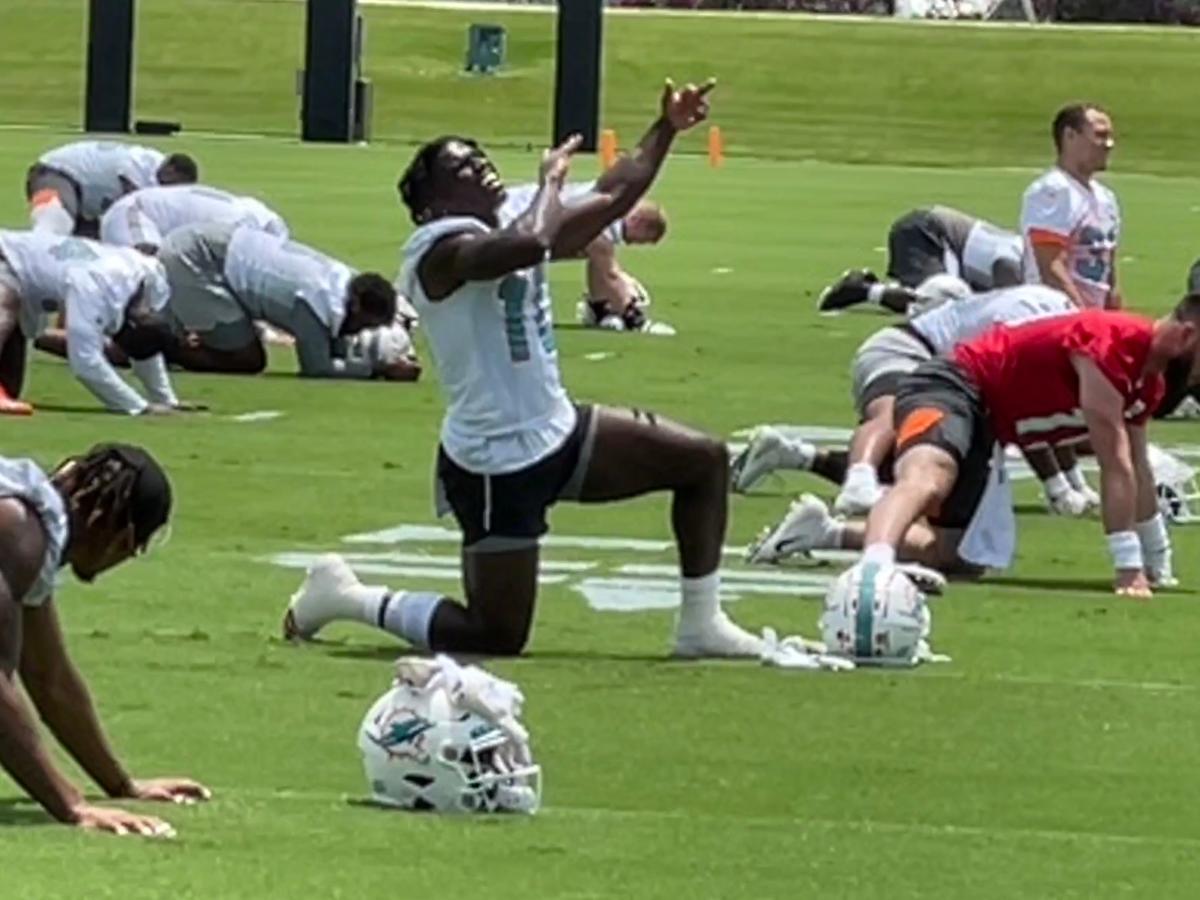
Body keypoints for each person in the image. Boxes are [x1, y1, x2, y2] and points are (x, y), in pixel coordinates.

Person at [284, 78, 777, 659]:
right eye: (462, 168)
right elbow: (527, 246)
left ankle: (701, 624)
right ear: (433, 202)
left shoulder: (514, 212)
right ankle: (344, 598)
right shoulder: (434, 250)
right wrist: (548, 185)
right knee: (495, 636)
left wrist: (666, 127)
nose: (481, 168)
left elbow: (616, 194)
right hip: (497, 459)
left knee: (703, 462)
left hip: (557, 428)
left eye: (480, 158)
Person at [852, 300, 1199, 600]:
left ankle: (829, 532)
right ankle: (873, 569)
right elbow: (1115, 463)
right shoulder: (1113, 342)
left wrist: (1157, 557)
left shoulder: (1148, 382)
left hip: (992, 425)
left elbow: (1139, 468)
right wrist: (1128, 566)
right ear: (1187, 336)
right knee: (929, 477)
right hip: (955, 385)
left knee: (958, 554)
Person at [735, 282, 1097, 516]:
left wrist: (1074, 483)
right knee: (891, 419)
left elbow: (1039, 413)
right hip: (906, 349)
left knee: (925, 470)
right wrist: (1057, 488)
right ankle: (858, 483)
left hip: (943, 374)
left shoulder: (1056, 319)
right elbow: (1019, 406)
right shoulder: (1033, 326)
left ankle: (795, 456)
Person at [0, 443, 210, 836]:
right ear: (123, 539)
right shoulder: (16, 530)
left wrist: (120, 785)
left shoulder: (29, 524)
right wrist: (71, 804)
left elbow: (52, 681)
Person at [151, 222, 402, 378]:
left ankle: (170, 337)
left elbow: (334, 344)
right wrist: (377, 369)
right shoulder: (316, 299)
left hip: (209, 246)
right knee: (248, 360)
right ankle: (159, 347)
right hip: (196, 259)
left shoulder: (341, 283)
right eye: (364, 325)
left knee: (236, 339)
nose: (358, 332)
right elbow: (317, 366)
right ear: (356, 305)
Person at [0, 230, 188, 416]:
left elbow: (146, 346)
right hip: (5, 256)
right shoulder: (95, 288)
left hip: (22, 278)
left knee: (10, 389)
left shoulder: (152, 284)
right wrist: (139, 406)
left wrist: (166, 401)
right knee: (5, 305)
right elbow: (85, 363)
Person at [819, 206, 1022, 313]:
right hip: (925, 232)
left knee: (958, 304)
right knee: (942, 304)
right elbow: (1006, 303)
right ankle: (862, 289)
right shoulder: (1017, 258)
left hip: (945, 247)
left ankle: (873, 289)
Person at [1020, 103, 1120, 310]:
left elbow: (1109, 272)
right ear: (1070, 136)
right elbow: (1051, 268)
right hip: (1054, 315)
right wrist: (1083, 318)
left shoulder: (1106, 198)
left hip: (1091, 317)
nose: (1109, 144)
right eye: (1100, 136)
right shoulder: (1053, 191)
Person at [26, 141, 197, 238]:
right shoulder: (141, 162)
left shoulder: (161, 181)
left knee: (89, 250)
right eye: (175, 185)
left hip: (85, 203)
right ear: (170, 171)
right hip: (55, 172)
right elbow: (131, 204)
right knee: (56, 222)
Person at [99, 184, 288, 253]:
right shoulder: (236, 226)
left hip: (142, 213)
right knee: (145, 272)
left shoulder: (250, 211)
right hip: (133, 214)